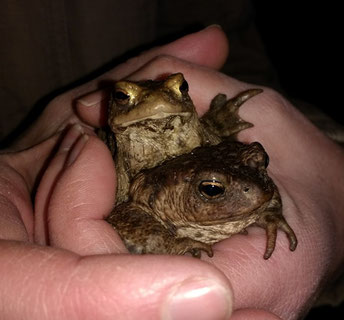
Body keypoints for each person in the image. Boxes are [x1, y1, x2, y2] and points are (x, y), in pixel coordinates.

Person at [1, 25, 344, 319]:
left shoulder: (199, 132)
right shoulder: (117, 150)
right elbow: (126, 207)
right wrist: (39, 152)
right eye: (122, 96)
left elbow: (240, 48)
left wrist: (330, 187)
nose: (158, 104)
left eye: (179, 90)